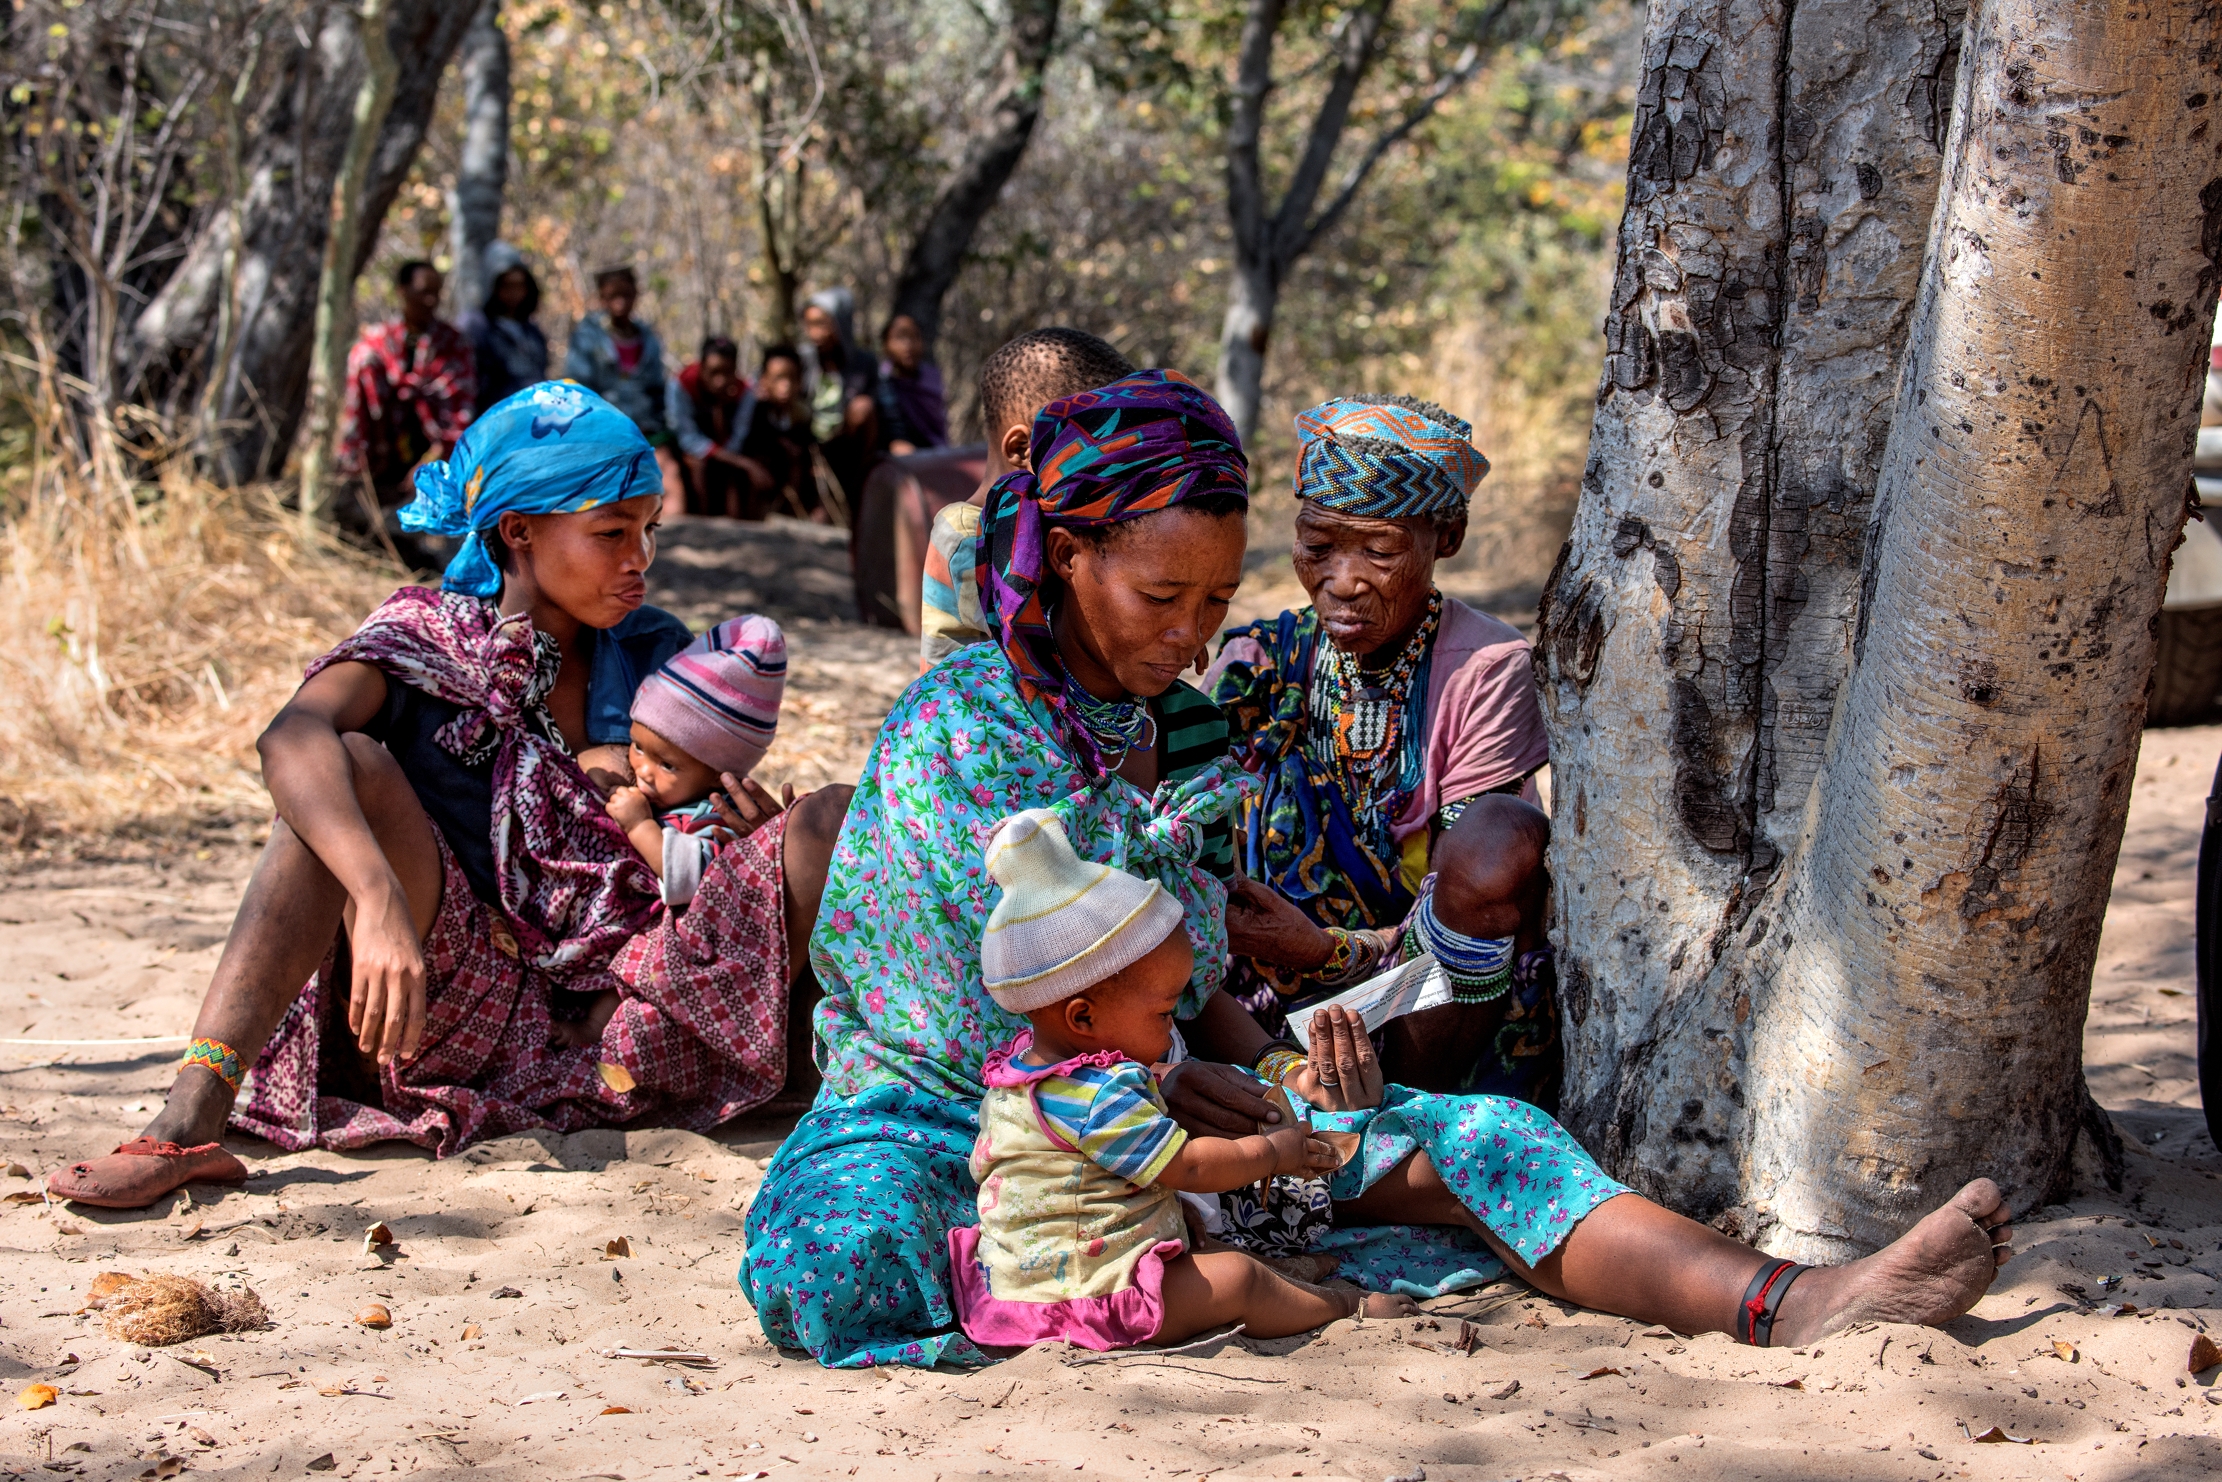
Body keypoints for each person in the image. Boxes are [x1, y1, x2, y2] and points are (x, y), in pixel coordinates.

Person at [739, 368, 2016, 1371]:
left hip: (1174, 1114)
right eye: (1158, 598)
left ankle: (1792, 1301)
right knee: (832, 1265)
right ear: (1068, 555)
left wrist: (1266, 1072)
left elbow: (1186, 989)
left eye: (1213, 600)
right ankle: (1128, 1270)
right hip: (958, 1128)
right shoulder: (960, 723)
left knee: (1491, 1140)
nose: (1190, 637)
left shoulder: (1166, 727)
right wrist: (1192, 1081)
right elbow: (982, 1010)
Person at [43, 383, 851, 1209]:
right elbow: (290, 737)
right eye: (611, 533)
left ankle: (880, 1083)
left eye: (649, 531)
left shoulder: (659, 652)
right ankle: (188, 1122)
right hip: (458, 998)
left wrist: (729, 828)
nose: (638, 557)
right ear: (519, 531)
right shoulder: (425, 636)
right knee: (346, 768)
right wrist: (377, 896)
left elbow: (677, 846)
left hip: (628, 1008)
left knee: (834, 815)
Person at [953, 809, 1416, 1350]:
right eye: (1165, 1012)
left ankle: (1292, 1276)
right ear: (1083, 1018)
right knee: (1241, 1282)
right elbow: (1188, 1166)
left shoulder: (1017, 1076)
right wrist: (1273, 1154)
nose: (1173, 1026)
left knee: (1214, 1257)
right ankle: (1345, 1304)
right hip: (1087, 1299)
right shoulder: (1099, 1095)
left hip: (1024, 1284)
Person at [1209, 396, 1559, 1100]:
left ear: (1447, 538)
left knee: (1497, 838)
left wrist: (1330, 949)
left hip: (1428, 1000)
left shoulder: (1484, 666)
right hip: (1260, 988)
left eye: (1378, 550)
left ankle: (1413, 1106)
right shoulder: (1260, 662)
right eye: (1317, 546)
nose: (1342, 580)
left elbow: (1470, 885)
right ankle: (1281, 1085)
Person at [919, 327, 1136, 670]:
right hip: (974, 717)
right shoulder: (966, 533)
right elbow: (1041, 640)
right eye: (1089, 451)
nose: (1104, 469)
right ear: (1022, 449)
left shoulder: (1043, 522)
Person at [607, 614, 788, 910]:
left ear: (719, 774)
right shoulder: (664, 795)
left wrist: (640, 826)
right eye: (638, 747)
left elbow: (693, 879)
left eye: (667, 765)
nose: (643, 771)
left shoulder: (720, 820)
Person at [335, 259, 476, 511]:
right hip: (380, 447)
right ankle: (361, 479)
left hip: (431, 452)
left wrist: (429, 464)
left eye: (436, 292)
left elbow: (457, 417)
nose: (431, 300)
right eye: (424, 292)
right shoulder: (378, 343)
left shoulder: (452, 344)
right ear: (402, 291)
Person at [563, 266, 682, 506]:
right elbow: (578, 391)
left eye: (626, 294)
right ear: (601, 298)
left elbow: (657, 390)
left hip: (646, 432)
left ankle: (672, 538)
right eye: (612, 295)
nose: (620, 301)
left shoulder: (647, 337)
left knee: (670, 481)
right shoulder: (587, 336)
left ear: (636, 294)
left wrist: (663, 428)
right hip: (601, 433)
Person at [798, 288, 877, 506]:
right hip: (807, 443)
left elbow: (883, 407)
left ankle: (861, 484)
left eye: (822, 324)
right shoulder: (802, 359)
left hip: (846, 446)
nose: (816, 333)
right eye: (810, 325)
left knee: (863, 407)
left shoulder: (864, 363)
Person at [665, 335, 753, 518]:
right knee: (697, 464)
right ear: (701, 367)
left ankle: (736, 525)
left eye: (727, 373)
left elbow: (740, 435)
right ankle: (701, 523)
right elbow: (685, 435)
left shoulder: (745, 392)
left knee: (734, 473)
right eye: (713, 372)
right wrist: (736, 460)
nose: (719, 381)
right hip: (688, 454)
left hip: (728, 452)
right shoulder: (680, 384)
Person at [460, 243, 549, 415]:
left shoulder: (531, 332)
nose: (514, 293)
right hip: (493, 421)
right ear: (491, 286)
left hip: (531, 420)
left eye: (520, 285)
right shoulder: (476, 327)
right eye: (507, 286)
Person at [732, 345, 819, 521]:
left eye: (792, 378)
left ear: (800, 381)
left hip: (790, 487)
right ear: (764, 380)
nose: (785, 386)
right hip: (756, 483)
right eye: (778, 378)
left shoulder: (802, 415)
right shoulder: (753, 411)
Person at [874, 312, 948, 455]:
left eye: (914, 337)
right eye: (900, 338)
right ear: (885, 344)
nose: (908, 345)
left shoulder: (933, 379)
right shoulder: (880, 381)